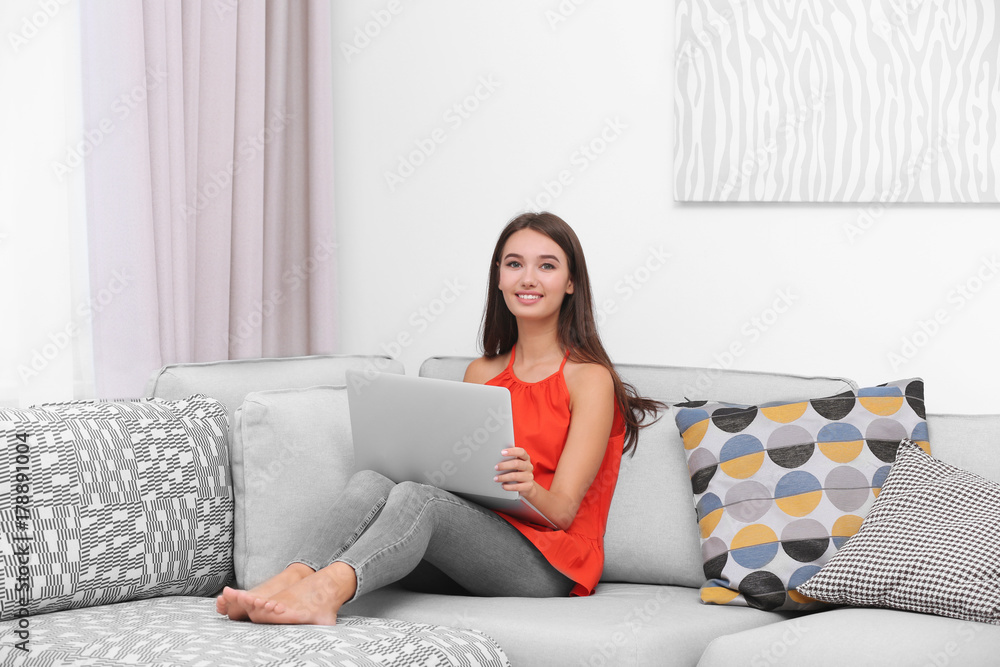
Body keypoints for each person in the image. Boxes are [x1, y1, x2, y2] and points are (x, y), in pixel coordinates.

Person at [216, 211, 663, 625]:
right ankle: (287, 579)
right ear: (499, 278)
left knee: (419, 499)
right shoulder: (482, 373)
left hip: (550, 565)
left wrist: (528, 488)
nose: (528, 278)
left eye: (547, 265)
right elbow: (461, 485)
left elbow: (564, 512)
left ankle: (324, 595)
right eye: (514, 264)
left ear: (570, 283)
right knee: (373, 480)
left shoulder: (589, 379)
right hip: (471, 550)